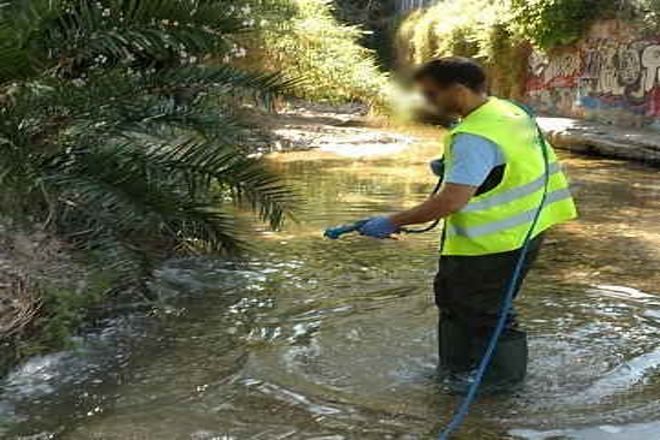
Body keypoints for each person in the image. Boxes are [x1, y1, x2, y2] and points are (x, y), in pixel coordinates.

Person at [357, 57, 578, 392]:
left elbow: (449, 202)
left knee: (486, 312)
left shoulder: (475, 136)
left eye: (432, 94)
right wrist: (457, 167)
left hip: (492, 242)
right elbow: (516, 163)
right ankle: (455, 370)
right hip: (529, 228)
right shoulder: (508, 111)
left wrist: (391, 220)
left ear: (458, 91)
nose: (428, 102)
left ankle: (502, 386)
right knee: (455, 299)